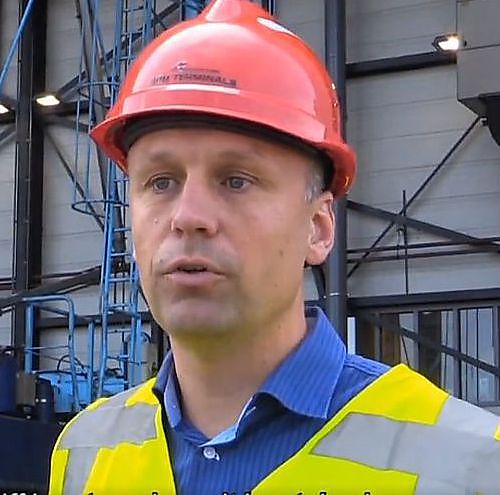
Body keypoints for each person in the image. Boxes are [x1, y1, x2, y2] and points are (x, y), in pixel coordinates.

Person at [48, 0, 500, 494]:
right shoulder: (84, 451)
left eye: (236, 180)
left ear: (318, 229)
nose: (188, 216)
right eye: (160, 182)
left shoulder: (470, 463)